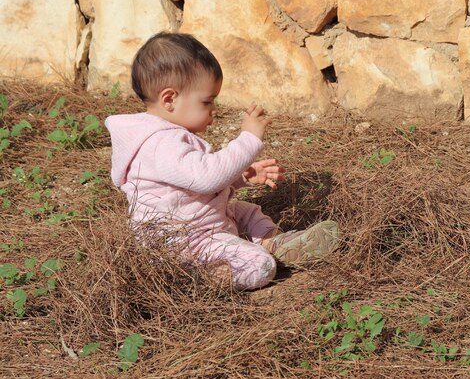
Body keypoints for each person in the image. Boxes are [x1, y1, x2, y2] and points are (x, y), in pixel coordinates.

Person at [105, 32, 340, 290]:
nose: (213, 110)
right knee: (260, 266)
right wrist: (248, 139)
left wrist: (240, 178)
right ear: (170, 99)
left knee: (245, 211)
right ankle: (194, 278)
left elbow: (191, 187)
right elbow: (205, 178)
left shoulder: (165, 136)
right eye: (206, 101)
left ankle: (275, 243)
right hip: (183, 243)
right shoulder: (161, 143)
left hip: (199, 225)